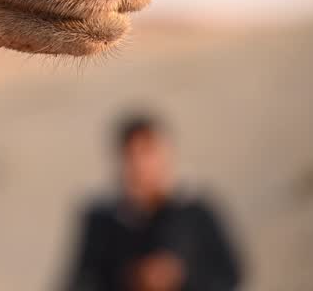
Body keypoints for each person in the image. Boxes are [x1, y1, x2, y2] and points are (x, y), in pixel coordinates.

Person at [62, 112, 243, 291]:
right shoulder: (102, 222)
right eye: (132, 155)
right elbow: (81, 282)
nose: (140, 165)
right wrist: (127, 277)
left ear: (165, 155)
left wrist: (180, 275)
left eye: (147, 153)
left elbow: (230, 274)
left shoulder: (195, 212)